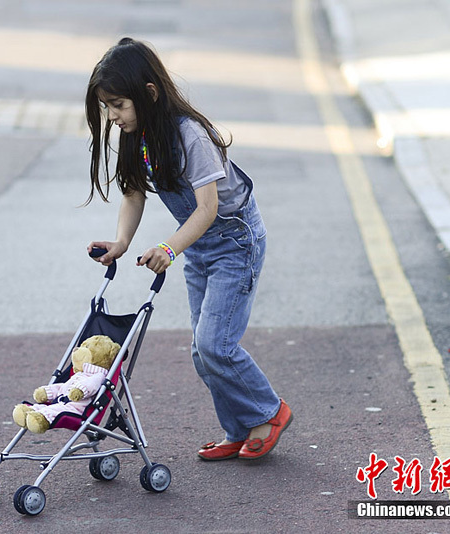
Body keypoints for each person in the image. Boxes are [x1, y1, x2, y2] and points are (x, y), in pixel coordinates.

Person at [84, 37, 292, 460]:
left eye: (118, 105)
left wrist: (169, 247)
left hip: (235, 243)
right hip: (199, 248)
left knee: (217, 344)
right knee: (203, 350)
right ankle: (239, 427)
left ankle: (270, 412)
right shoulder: (138, 136)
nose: (112, 116)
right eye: (107, 107)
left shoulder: (190, 136)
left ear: (149, 94)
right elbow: (134, 194)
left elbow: (208, 209)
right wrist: (122, 242)